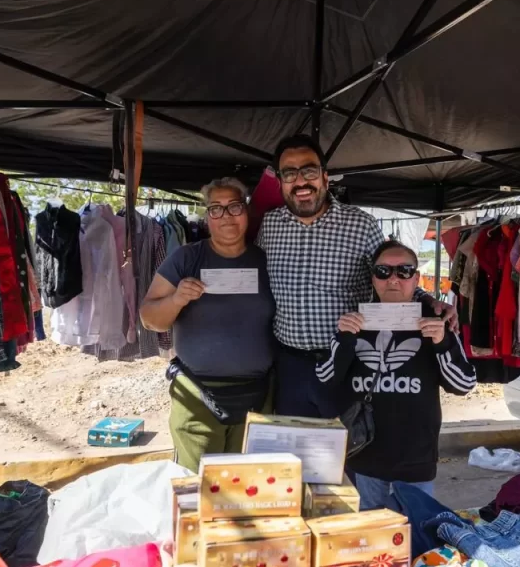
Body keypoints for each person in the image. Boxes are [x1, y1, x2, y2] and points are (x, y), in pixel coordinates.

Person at [258, 134, 453, 417]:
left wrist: (428, 301)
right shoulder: (270, 225)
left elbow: (390, 276)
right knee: (296, 450)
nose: (300, 182)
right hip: (290, 365)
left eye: (309, 171)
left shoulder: (361, 224)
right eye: (289, 174)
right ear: (280, 182)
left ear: (325, 178)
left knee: (347, 449)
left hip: (347, 360)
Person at [316, 241, 477, 511]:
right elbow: (326, 378)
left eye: (403, 271)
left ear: (416, 278)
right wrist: (344, 339)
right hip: (365, 453)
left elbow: (463, 384)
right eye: (383, 271)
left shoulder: (436, 321)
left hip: (416, 456)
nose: (393, 279)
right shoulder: (356, 321)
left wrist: (442, 343)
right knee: (372, 534)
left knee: (417, 533)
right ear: (373, 278)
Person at [140, 178, 276, 472]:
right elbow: (149, 318)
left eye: (234, 207)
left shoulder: (267, 261)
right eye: (216, 209)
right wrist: (177, 299)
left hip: (258, 398)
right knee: (196, 492)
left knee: (246, 490)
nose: (226, 216)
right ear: (206, 217)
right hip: (197, 397)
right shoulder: (187, 258)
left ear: (247, 212)